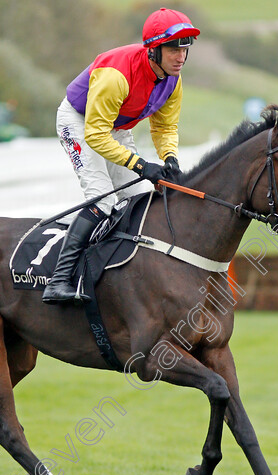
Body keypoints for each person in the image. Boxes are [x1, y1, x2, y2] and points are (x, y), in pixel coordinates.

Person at [43, 7, 200, 304]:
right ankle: (59, 279)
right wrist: (141, 164)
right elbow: (96, 135)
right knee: (103, 198)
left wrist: (170, 159)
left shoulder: (173, 81)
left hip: (114, 127)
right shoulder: (116, 75)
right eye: (173, 49)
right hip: (80, 123)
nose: (181, 57)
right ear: (154, 50)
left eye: (185, 48)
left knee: (141, 197)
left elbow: (165, 126)